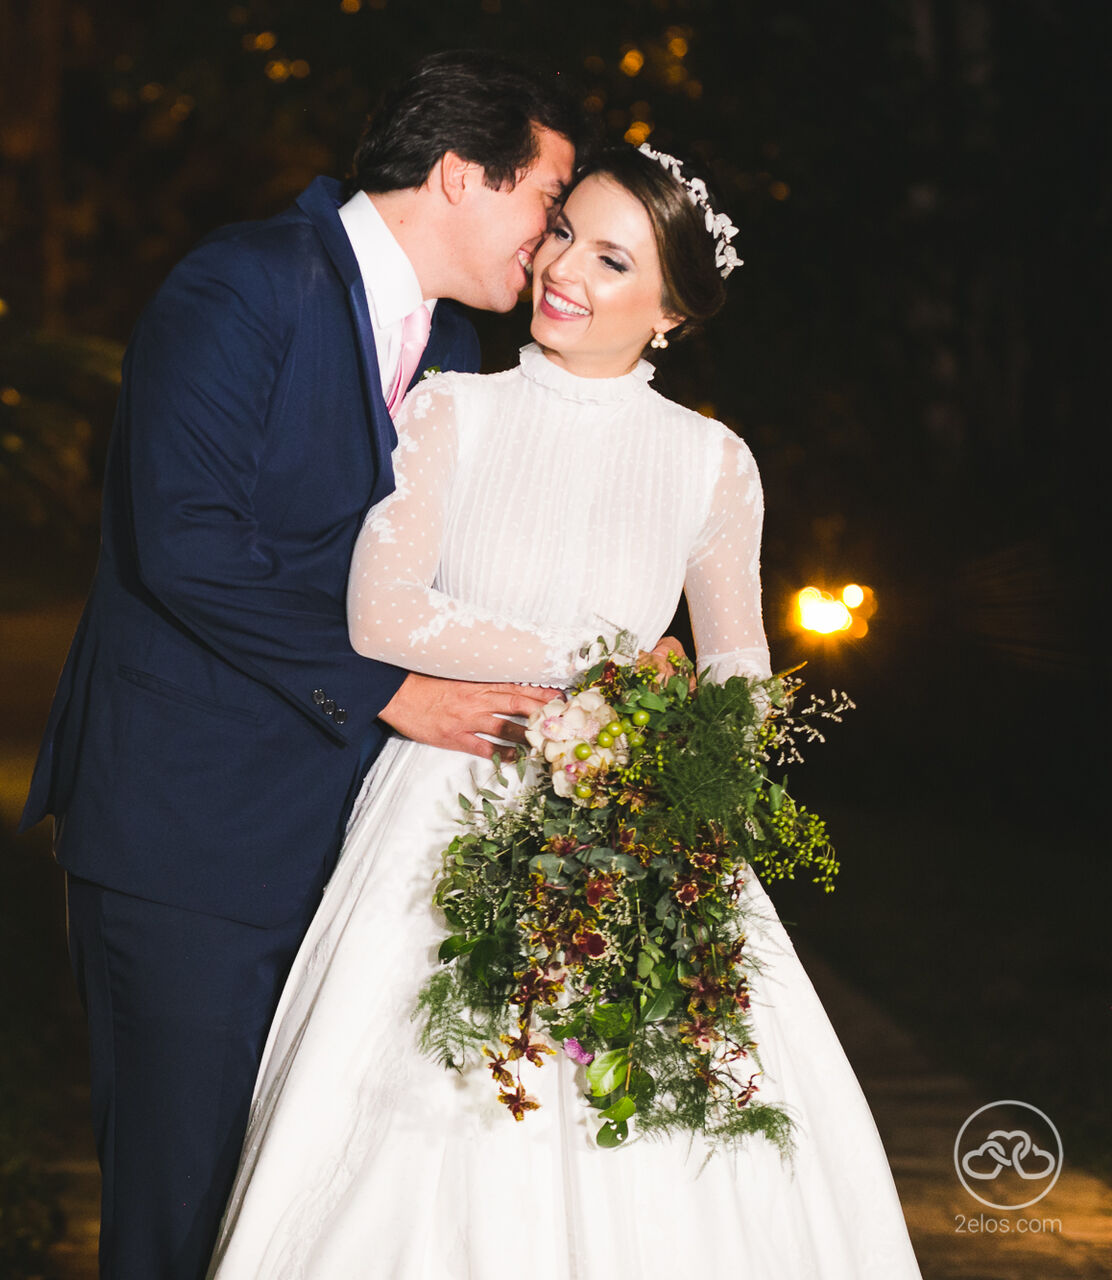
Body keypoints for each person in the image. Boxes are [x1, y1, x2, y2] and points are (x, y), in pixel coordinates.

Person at [207, 144, 923, 1278]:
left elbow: (737, 670)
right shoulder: (453, 409)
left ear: (672, 310)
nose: (562, 267)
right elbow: (384, 612)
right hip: (449, 805)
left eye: (610, 255)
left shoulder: (712, 462)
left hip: (641, 824)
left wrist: (676, 754)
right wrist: (607, 666)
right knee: (433, 1121)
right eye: (562, 233)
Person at [19, 52, 586, 1278]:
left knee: (294, 1223)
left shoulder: (463, 358)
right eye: (548, 199)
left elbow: (458, 577)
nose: (552, 244)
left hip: (349, 859)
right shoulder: (241, 284)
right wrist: (393, 690)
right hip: (189, 842)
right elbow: (185, 540)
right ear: (457, 173)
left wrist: (600, 642)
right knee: (180, 1217)